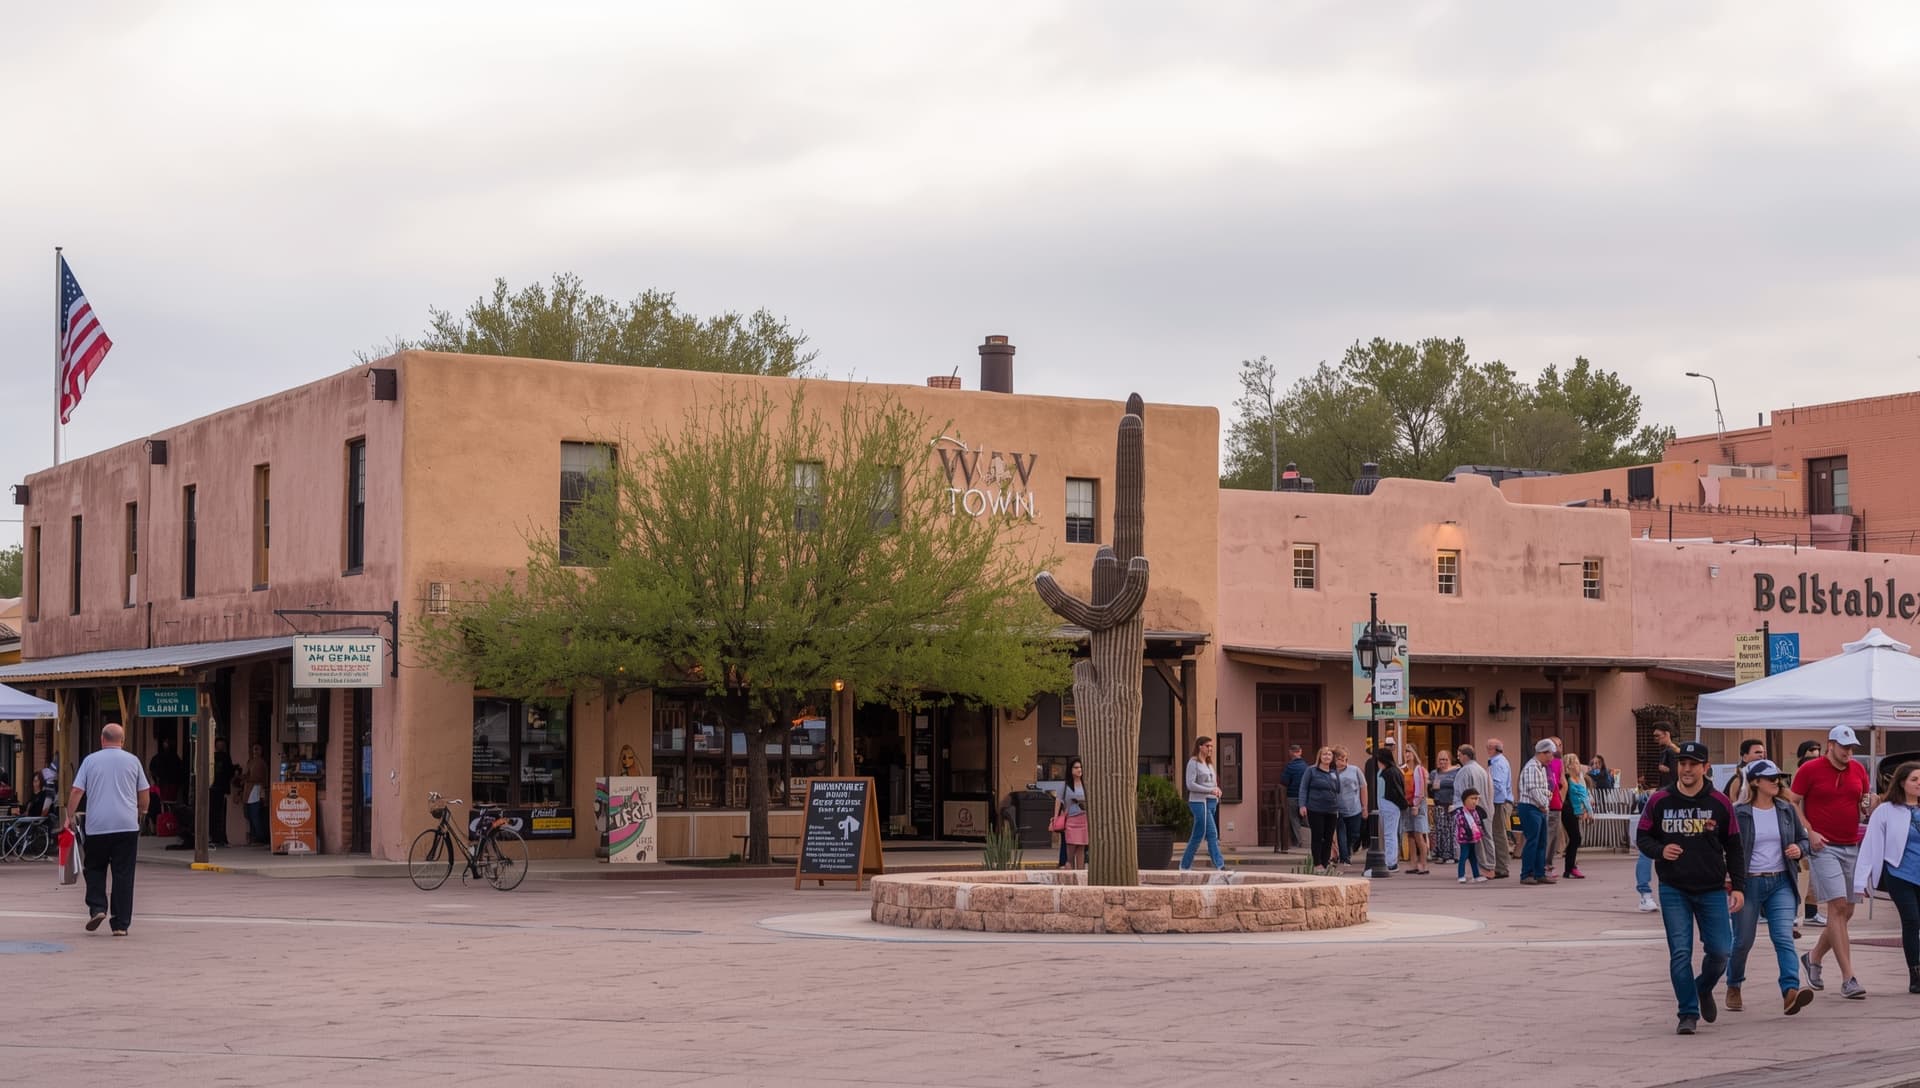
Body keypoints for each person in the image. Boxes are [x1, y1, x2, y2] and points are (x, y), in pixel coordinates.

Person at [1637, 740, 1746, 1035]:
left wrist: (1738, 886)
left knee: (1722, 951)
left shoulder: (1719, 803)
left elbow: (1735, 847)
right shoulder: (1660, 800)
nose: (1686, 769)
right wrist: (1661, 851)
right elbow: (1643, 838)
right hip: (1674, 888)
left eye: (1693, 764)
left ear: (1705, 768)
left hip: (1711, 888)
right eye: (1682, 763)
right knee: (1680, 952)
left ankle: (1702, 987)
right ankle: (1687, 1012)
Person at [1728, 759, 1815, 1015]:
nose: (1776, 782)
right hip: (1748, 882)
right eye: (1770, 778)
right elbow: (1726, 847)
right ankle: (1734, 984)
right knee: (1743, 941)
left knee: (1783, 936)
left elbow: (1804, 839)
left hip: (1781, 881)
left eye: (1778, 777)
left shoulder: (1786, 809)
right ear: (1754, 782)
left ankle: (1791, 991)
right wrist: (1730, 880)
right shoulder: (1738, 812)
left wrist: (1800, 849)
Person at [1793, 725, 1871, 1000]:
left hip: (1852, 844)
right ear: (1831, 745)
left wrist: (1866, 806)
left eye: (1852, 748)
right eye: (1844, 747)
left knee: (1845, 913)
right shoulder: (1810, 769)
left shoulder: (1859, 770)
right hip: (1823, 846)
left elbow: (1864, 800)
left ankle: (1813, 958)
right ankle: (1849, 978)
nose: (1849, 752)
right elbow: (1793, 802)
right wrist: (1808, 830)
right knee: (1836, 906)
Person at [65, 723, 151, 937]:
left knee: (94, 867)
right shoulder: (133, 761)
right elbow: (144, 792)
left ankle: (98, 908)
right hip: (127, 826)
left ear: (102, 739)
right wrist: (142, 811)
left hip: (97, 826)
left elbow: (77, 791)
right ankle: (121, 924)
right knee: (124, 873)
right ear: (122, 740)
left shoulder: (90, 761)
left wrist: (69, 816)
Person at [1853, 760, 1920, 995]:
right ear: (1902, 783)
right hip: (1899, 874)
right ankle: (1915, 974)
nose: (1919, 783)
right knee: (1912, 921)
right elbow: (1870, 846)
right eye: (1914, 779)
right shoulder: (1886, 810)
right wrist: (1860, 881)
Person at [1637, 724, 1682, 913]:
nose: (1687, 769)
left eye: (1657, 736)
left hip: (1671, 797)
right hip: (1663, 796)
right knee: (1649, 845)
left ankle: (1652, 893)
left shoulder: (1672, 752)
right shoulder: (1670, 751)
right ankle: (1645, 893)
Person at [1179, 736, 1224, 871]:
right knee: (1210, 833)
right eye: (1207, 746)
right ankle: (1220, 865)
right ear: (1200, 746)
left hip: (1211, 802)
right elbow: (1190, 784)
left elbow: (1213, 783)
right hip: (1199, 802)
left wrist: (1217, 790)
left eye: (1211, 746)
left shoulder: (1209, 764)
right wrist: (1210, 790)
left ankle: (1185, 865)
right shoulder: (1193, 763)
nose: (1210, 749)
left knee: (1202, 835)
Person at [1794, 738, 1824, 927]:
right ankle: (1807, 912)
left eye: (1818, 751)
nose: (1815, 755)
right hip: (1805, 829)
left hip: (1815, 829)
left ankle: (1811, 911)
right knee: (1806, 874)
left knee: (1812, 874)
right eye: (1811, 751)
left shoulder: (1818, 772)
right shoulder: (1802, 773)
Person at [1365, 739, 1407, 875]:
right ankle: (1390, 860)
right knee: (1388, 834)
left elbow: (1397, 791)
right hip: (1385, 804)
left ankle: (1391, 862)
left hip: (1390, 805)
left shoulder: (1390, 772)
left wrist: (1401, 804)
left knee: (1389, 835)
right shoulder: (1386, 771)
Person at [1517, 740, 1556, 885]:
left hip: (1539, 807)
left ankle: (1539, 872)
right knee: (1532, 840)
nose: (1552, 757)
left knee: (1542, 841)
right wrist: (1544, 804)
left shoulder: (1541, 768)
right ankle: (1526, 873)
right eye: (1550, 754)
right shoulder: (1532, 767)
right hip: (1530, 807)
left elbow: (1540, 787)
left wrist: (1547, 794)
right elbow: (1533, 790)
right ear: (1542, 753)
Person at [1300, 746, 1343, 875]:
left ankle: (1325, 862)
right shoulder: (1311, 771)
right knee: (1318, 836)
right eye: (1324, 754)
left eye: (1329, 755)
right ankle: (1317, 863)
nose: (1327, 756)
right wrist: (1302, 805)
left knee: (1328, 837)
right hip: (1315, 808)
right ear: (1320, 756)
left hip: (1331, 809)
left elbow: (1338, 789)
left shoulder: (1334, 772)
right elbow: (1303, 788)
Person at [1333, 747, 1366, 868]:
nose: (1342, 761)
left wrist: (1364, 807)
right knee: (1342, 834)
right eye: (1339, 758)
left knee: (1354, 834)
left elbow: (1363, 787)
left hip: (1354, 808)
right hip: (1337, 809)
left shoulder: (1355, 770)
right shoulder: (1331, 772)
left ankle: (1347, 851)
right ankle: (1345, 858)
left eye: (1344, 758)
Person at [1561, 752, 1593, 879]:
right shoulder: (1567, 777)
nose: (1576, 765)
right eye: (1573, 762)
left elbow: (1584, 795)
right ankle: (1569, 868)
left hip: (1577, 810)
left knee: (1576, 838)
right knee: (1576, 838)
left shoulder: (1580, 778)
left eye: (1577, 762)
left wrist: (1586, 810)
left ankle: (1570, 867)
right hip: (1568, 810)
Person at [1485, 738, 1514, 879]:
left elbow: (1498, 785)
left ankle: (1502, 867)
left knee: (1498, 834)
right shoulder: (1498, 761)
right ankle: (1499, 865)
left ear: (1493, 749)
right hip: (1500, 801)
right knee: (1498, 833)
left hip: (1499, 802)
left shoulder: (1498, 763)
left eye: (1488, 747)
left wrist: (1491, 800)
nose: (1486, 750)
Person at [1054, 759, 1090, 871]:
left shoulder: (1085, 784)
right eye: (1076, 767)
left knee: (1081, 851)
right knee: (1070, 853)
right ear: (1070, 770)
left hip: (1083, 819)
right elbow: (1058, 801)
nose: (1079, 769)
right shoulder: (1064, 785)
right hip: (1071, 820)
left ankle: (1080, 878)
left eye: (1080, 767)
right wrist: (1055, 817)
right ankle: (1069, 878)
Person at [1402, 747, 1430, 874]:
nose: (1407, 754)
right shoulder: (1404, 769)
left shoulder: (1419, 769)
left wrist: (1417, 805)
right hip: (1407, 803)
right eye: (1405, 752)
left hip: (1417, 803)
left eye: (1409, 752)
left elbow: (1421, 789)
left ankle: (1423, 863)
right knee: (1410, 834)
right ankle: (1413, 863)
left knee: (1419, 834)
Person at [1454, 789, 1488, 884]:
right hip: (1464, 838)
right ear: (1465, 800)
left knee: (1473, 856)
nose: (1474, 801)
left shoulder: (1475, 812)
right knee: (1464, 855)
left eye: (1476, 799)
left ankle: (1476, 875)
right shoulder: (1460, 813)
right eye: (1472, 798)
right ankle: (1461, 875)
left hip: (1473, 838)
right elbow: (1461, 825)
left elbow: (1478, 823)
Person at [1430, 750, 1458, 864]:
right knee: (1440, 830)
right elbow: (1431, 785)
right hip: (1439, 803)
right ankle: (1441, 854)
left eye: (1445, 759)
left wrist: (1440, 784)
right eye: (1440, 759)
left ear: (1450, 760)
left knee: (1451, 830)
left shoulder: (1456, 771)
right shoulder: (1434, 773)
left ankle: (1451, 855)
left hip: (1451, 804)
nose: (1443, 762)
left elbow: (1456, 784)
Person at [1280, 744, 1310, 852]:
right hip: (1306, 798)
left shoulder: (1290, 767)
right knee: (1307, 819)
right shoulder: (1306, 766)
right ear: (1300, 752)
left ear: (1291, 753)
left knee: (1294, 820)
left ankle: (1299, 841)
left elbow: (1284, 781)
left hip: (1292, 796)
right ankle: (1311, 840)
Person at [209, 736, 236, 846]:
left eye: (222, 745)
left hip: (220, 789)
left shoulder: (225, 757)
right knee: (214, 813)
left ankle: (220, 836)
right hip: (213, 788)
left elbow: (229, 772)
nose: (220, 747)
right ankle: (215, 836)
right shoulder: (212, 757)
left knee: (220, 814)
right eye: (218, 745)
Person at [244, 742, 271, 846]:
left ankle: (260, 838)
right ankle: (254, 836)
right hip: (249, 791)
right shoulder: (250, 762)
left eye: (257, 749)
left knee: (255, 816)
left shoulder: (261, 763)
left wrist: (246, 779)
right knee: (250, 815)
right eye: (254, 749)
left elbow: (259, 778)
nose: (255, 751)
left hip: (256, 790)